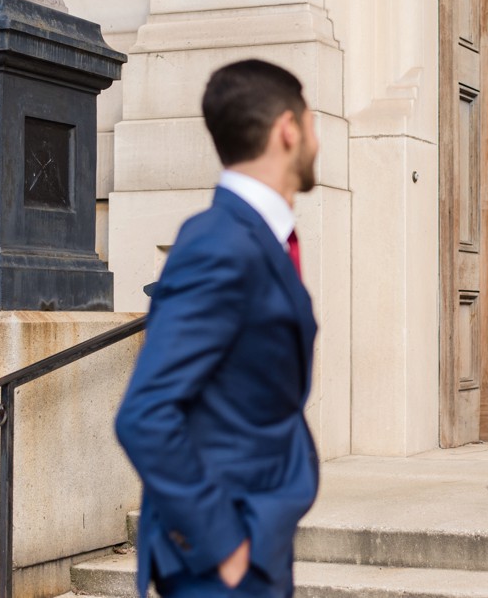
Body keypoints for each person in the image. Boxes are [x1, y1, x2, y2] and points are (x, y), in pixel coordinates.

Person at [115, 59, 320, 596]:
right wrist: (225, 547)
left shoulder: (254, 237)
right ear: (288, 130)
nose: (316, 140)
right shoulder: (219, 243)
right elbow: (144, 414)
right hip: (221, 561)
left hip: (258, 539)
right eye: (313, 124)